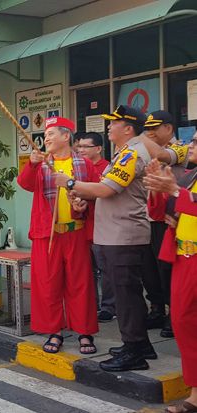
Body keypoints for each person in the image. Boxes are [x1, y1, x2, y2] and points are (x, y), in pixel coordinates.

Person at [54, 105, 155, 371]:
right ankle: (140, 344)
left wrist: (72, 184)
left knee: (126, 296)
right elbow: (102, 190)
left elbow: (107, 189)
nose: (108, 127)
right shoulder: (123, 153)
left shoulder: (131, 154)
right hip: (116, 235)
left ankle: (134, 352)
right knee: (127, 293)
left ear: (129, 128)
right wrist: (83, 195)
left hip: (123, 235)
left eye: (114, 123)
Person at [17, 116, 99, 355]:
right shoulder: (41, 164)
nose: (46, 138)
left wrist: (85, 204)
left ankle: (85, 332)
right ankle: (55, 332)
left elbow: (97, 192)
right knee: (48, 284)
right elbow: (25, 184)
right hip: (47, 234)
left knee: (80, 284)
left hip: (76, 232)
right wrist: (31, 165)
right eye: (45, 134)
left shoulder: (84, 164)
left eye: (51, 133)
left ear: (66, 136)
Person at [143, 136, 197, 413]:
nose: (191, 145)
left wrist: (173, 190)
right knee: (184, 325)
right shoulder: (189, 177)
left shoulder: (183, 183)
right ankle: (195, 395)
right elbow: (159, 212)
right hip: (184, 258)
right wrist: (157, 188)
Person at [76, 132, 112, 319]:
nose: (81, 150)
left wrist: (79, 190)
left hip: (101, 226)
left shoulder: (107, 168)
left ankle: (108, 307)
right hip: (82, 226)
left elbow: (102, 192)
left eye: (85, 147)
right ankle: (91, 305)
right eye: (79, 146)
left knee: (105, 268)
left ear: (98, 148)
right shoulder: (78, 168)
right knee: (87, 270)